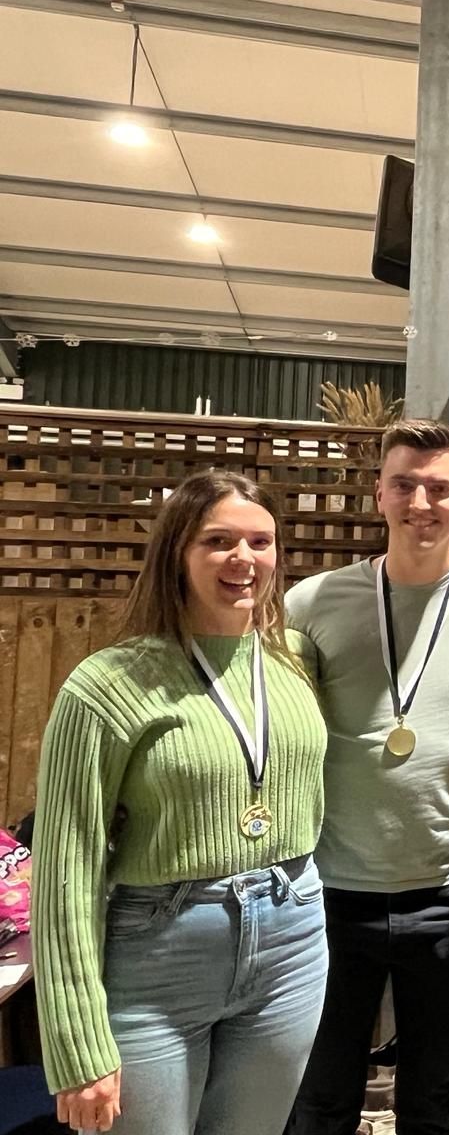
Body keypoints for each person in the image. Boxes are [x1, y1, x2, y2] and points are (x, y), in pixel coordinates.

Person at [33, 471, 329, 1135]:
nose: (243, 559)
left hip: (291, 940)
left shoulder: (295, 663)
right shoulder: (108, 685)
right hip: (161, 950)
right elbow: (66, 868)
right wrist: (77, 1047)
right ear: (177, 552)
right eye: (217, 540)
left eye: (260, 541)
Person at [286, 419, 449, 1135]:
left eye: (439, 488)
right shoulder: (311, 604)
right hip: (331, 892)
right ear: (379, 494)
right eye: (405, 484)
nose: (420, 502)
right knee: (320, 1097)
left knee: (430, 1101)